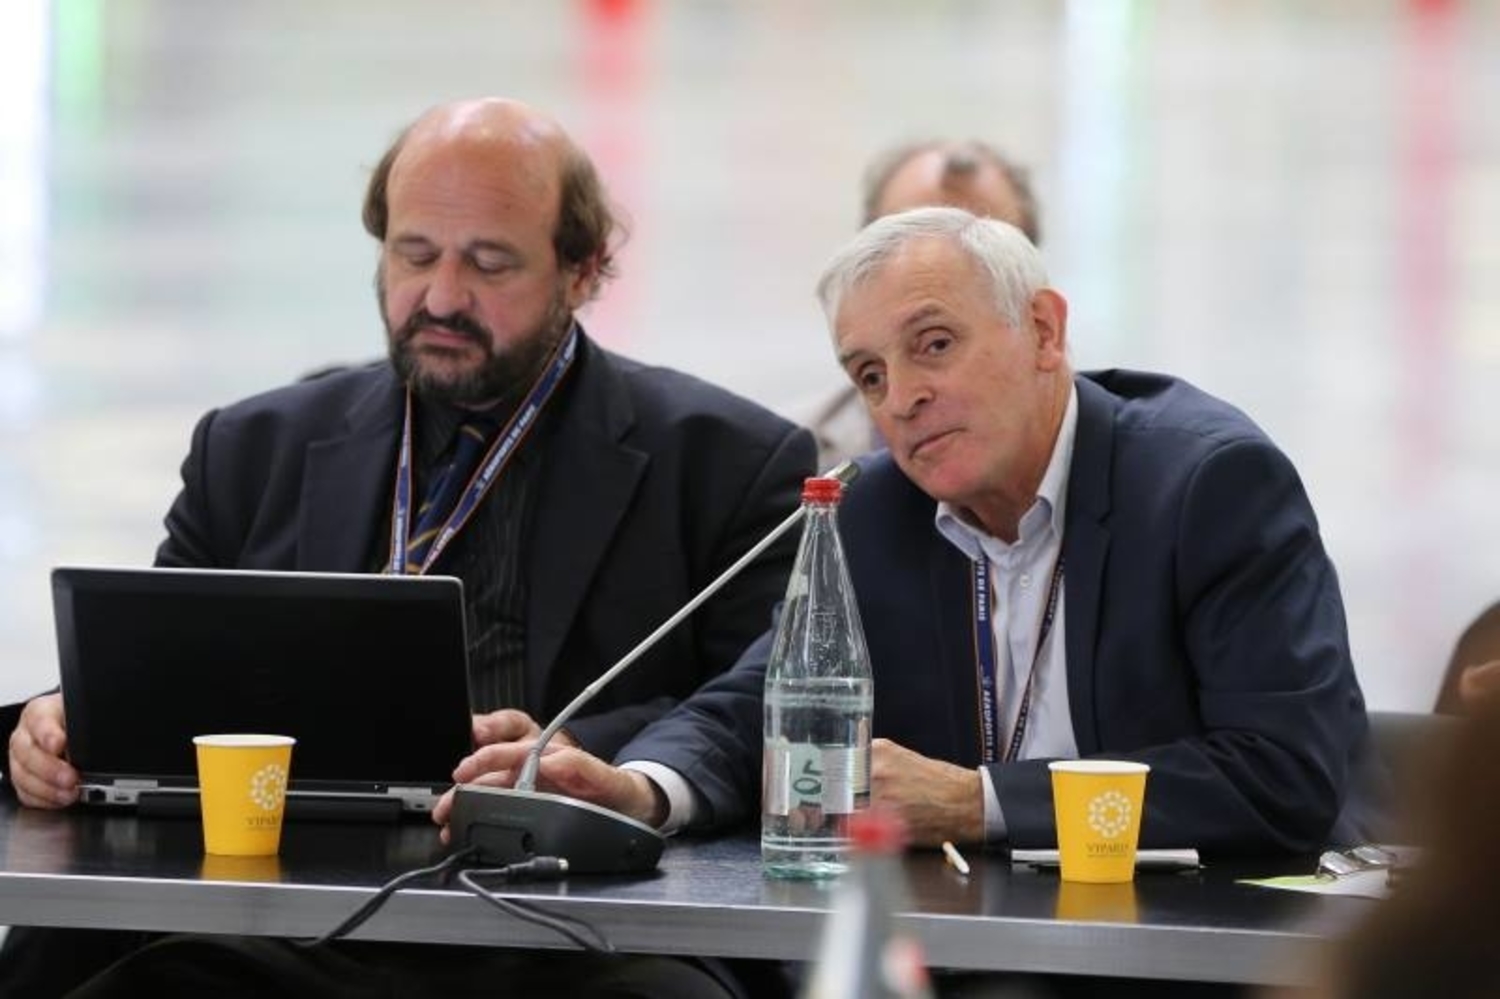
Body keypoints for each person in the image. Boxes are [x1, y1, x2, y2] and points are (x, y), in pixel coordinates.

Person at [0, 97, 814, 997]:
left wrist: (583, 750)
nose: (441, 298)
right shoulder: (252, 445)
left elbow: (770, 701)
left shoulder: (727, 461)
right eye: (413, 254)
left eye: (490, 263)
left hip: (578, 923)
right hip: (285, 912)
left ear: (583, 271)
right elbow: (160, 671)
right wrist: (60, 721)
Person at [444, 206, 1373, 859]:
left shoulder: (1207, 485)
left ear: (1045, 332)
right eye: (870, 373)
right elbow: (755, 708)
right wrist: (639, 789)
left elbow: (1282, 775)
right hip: (976, 941)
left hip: (1198, 943)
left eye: (933, 344)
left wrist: (980, 802)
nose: (903, 398)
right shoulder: (876, 512)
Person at [801, 139, 1042, 470]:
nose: (903, 400)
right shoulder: (793, 454)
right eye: (903, 238)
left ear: (1042, 324)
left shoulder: (1109, 447)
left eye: (983, 240)